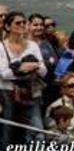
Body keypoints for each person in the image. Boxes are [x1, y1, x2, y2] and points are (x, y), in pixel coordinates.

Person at [0, 11, 47, 145]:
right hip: (7, 94)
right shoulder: (1, 47)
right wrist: (23, 67)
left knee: (37, 132)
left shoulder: (33, 46)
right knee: (7, 132)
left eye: (24, 22)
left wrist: (31, 67)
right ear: (8, 27)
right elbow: (3, 73)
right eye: (17, 23)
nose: (22, 25)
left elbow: (43, 71)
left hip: (30, 93)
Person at [45, 73, 74, 141]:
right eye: (71, 85)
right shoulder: (54, 105)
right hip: (61, 139)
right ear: (63, 89)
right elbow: (51, 127)